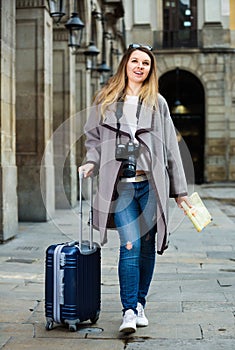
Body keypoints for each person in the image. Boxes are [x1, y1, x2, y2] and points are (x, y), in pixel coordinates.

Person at [78, 44, 192, 333]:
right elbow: (93, 140)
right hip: (122, 187)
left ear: (150, 70)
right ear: (125, 65)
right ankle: (128, 310)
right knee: (130, 245)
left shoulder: (159, 103)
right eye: (135, 61)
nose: (140, 67)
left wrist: (180, 191)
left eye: (145, 63)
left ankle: (140, 304)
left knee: (147, 248)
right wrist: (90, 162)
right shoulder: (105, 99)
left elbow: (171, 150)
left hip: (151, 185)